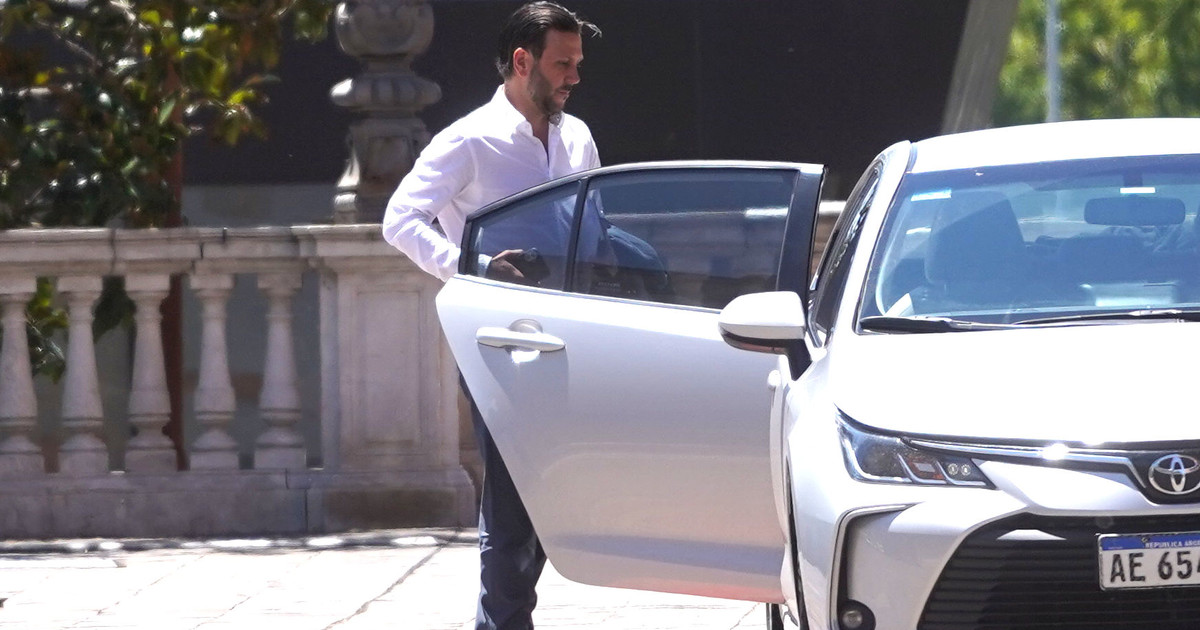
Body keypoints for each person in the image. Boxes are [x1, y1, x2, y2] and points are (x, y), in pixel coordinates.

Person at [380, 3, 601, 629]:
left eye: (578, 64)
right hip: (502, 347)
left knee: (555, 498)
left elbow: (594, 225)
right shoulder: (468, 140)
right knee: (510, 508)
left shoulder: (577, 137)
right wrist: (471, 266)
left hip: (577, 338)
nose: (574, 77)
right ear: (522, 61)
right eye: (562, 64)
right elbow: (400, 219)